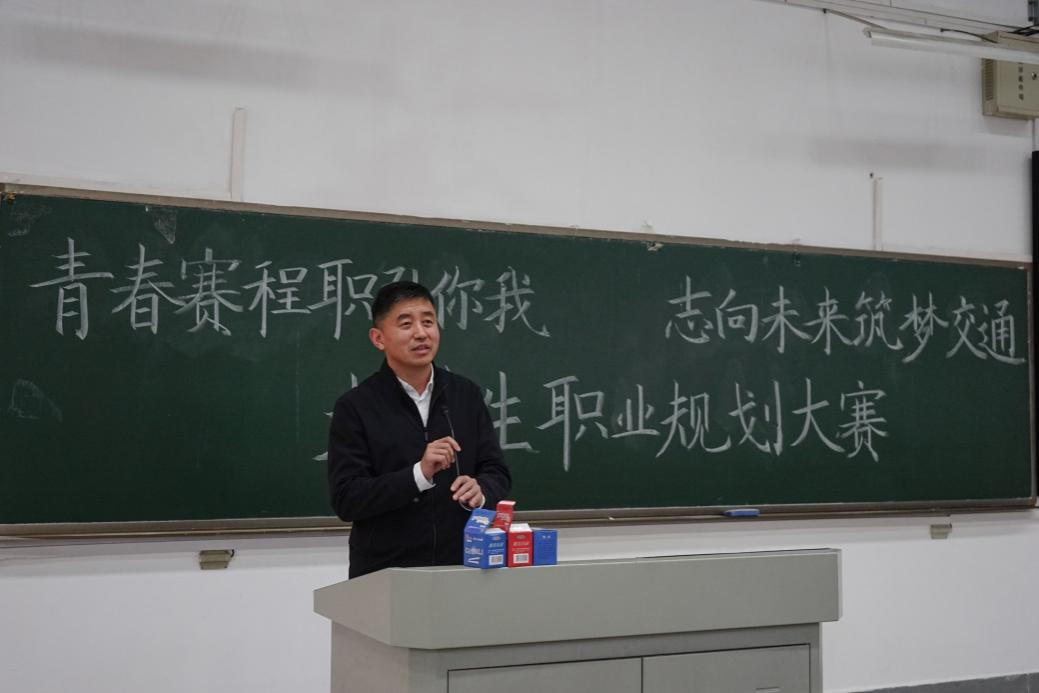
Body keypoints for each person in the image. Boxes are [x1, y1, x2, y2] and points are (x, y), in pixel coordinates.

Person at [327, 281, 512, 578]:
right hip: (386, 573)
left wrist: (481, 491)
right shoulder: (356, 406)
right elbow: (347, 499)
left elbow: (497, 472)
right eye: (406, 324)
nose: (421, 333)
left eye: (428, 322)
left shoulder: (465, 394)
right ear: (378, 338)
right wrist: (419, 474)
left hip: (462, 568)